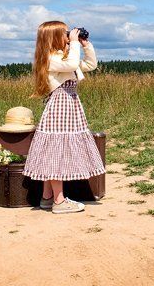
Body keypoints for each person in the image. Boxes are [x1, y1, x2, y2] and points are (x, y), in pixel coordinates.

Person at [22, 20, 105, 214]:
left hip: (69, 106)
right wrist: (74, 43)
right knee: (56, 152)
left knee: (55, 150)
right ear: (53, 38)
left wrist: (86, 45)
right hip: (60, 106)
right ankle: (59, 202)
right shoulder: (50, 58)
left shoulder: (64, 57)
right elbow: (73, 64)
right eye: (64, 33)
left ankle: (47, 197)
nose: (68, 36)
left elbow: (90, 65)